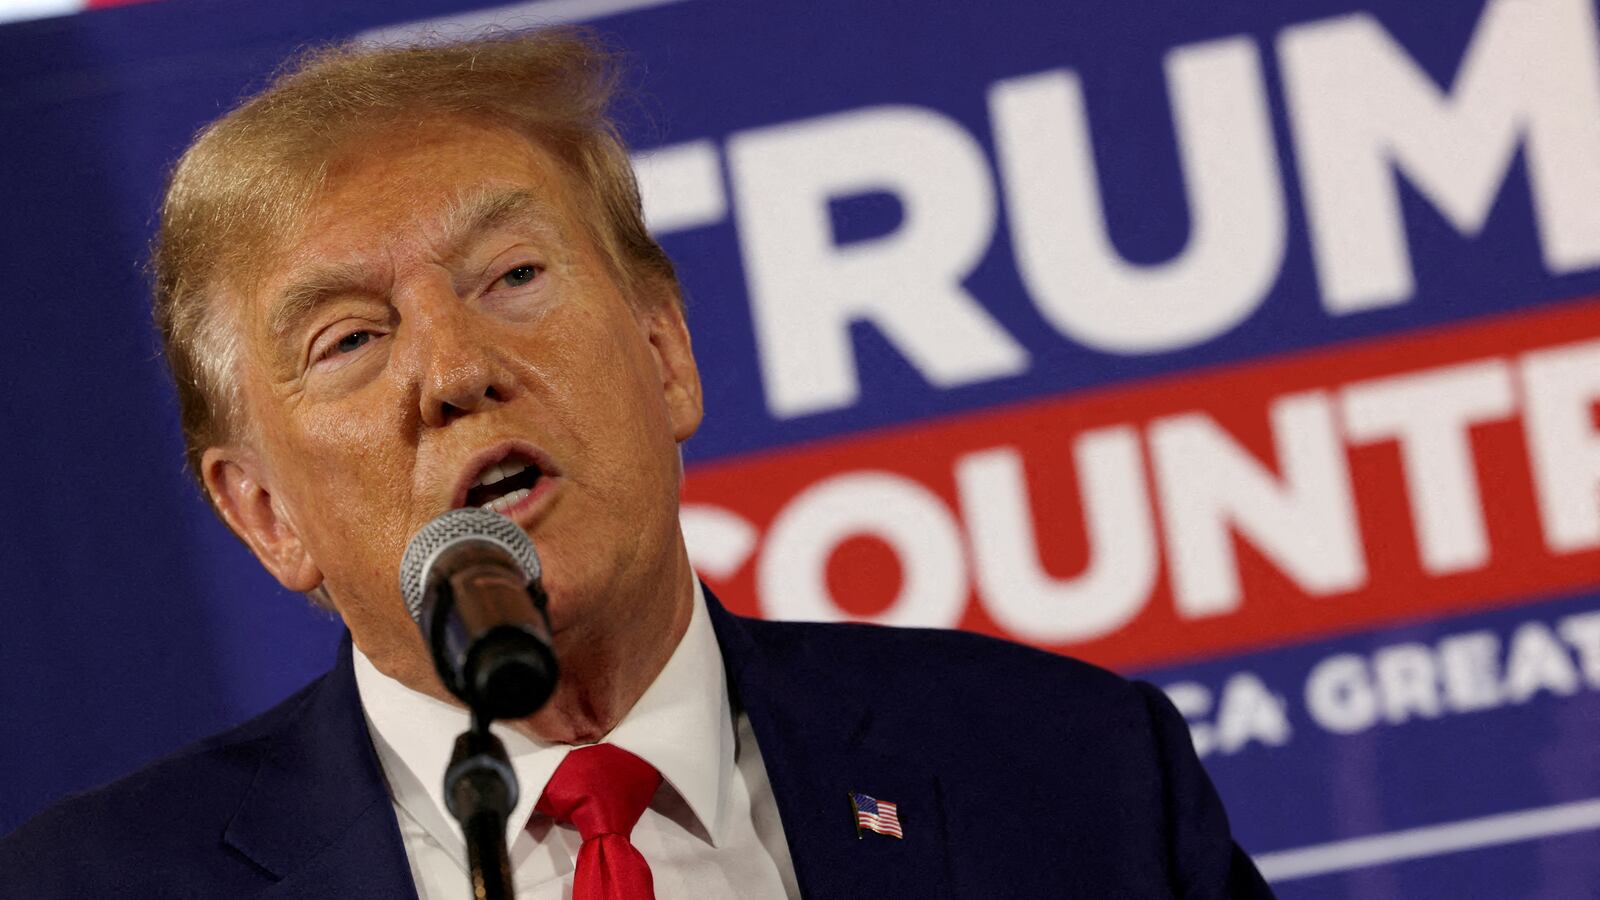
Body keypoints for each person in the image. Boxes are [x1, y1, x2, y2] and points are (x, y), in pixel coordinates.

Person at [0, 29, 1273, 899]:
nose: (454, 372)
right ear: (265, 513)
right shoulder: (91, 887)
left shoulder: (1066, 773)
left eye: (512, 277)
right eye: (350, 339)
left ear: (665, 351)